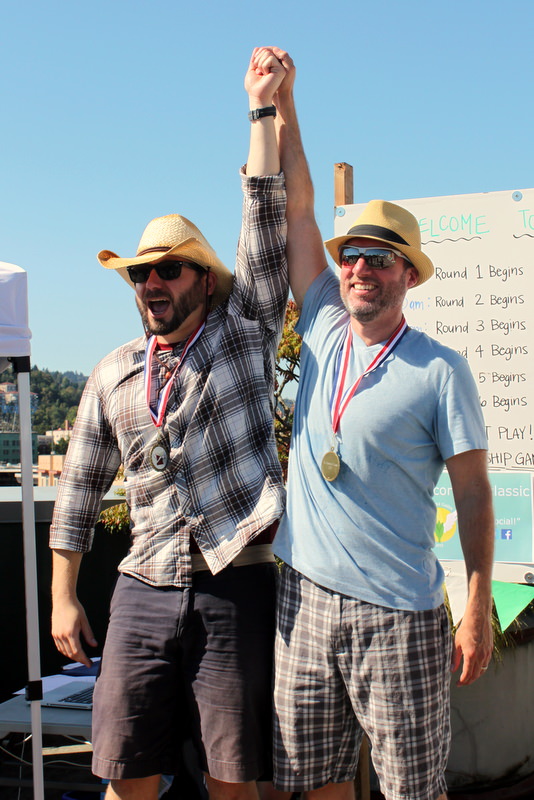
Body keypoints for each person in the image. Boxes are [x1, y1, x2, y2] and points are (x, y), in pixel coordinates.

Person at [50, 48, 293, 800]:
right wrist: (63, 594)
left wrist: (261, 110)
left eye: (166, 270)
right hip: (142, 587)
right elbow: (80, 492)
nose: (150, 284)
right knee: (125, 773)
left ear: (203, 278)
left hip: (235, 582)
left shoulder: (242, 328)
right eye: (137, 274)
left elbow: (264, 221)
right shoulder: (113, 372)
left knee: (233, 779)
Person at [267, 48, 495, 800]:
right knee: (315, 785)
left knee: (410, 791)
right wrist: (283, 105)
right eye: (354, 255)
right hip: (302, 601)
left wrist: (476, 607)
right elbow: (299, 208)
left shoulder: (439, 369)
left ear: (407, 275)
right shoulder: (325, 320)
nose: (362, 268)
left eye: (381, 258)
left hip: (398, 615)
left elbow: (472, 495)